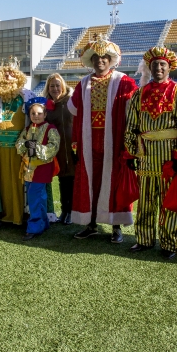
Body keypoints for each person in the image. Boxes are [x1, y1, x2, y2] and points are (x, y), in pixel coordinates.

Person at [124, 47, 177, 259]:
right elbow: (131, 126)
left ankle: (170, 243)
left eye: (162, 64)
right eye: (155, 64)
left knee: (171, 203)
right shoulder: (139, 94)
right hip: (146, 158)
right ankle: (144, 240)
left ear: (170, 67)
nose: (158, 67)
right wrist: (131, 154)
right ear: (150, 66)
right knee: (146, 201)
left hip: (170, 159)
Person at [69, 35, 138, 243]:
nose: (100, 61)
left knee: (114, 182)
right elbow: (74, 113)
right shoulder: (83, 83)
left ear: (111, 60)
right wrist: (75, 143)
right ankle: (91, 225)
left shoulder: (124, 81)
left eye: (104, 57)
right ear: (91, 61)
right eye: (97, 58)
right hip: (89, 142)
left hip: (115, 140)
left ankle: (116, 227)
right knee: (91, 181)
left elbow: (133, 110)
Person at [0, 57, 35, 226]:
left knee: (21, 183)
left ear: (19, 76)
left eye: (13, 73)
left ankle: (21, 215)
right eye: (6, 73)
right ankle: (2, 214)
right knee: (1, 183)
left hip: (21, 149)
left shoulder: (28, 95)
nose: (9, 76)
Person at [15, 97, 60, 240]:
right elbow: (19, 143)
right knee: (39, 196)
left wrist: (37, 147)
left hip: (42, 168)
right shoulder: (28, 129)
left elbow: (53, 147)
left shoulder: (51, 129)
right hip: (28, 168)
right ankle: (43, 222)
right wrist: (26, 145)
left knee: (34, 196)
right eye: (33, 113)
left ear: (45, 114)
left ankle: (34, 227)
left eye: (39, 113)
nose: (36, 116)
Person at [43, 73, 75, 224]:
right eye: (52, 86)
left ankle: (73, 212)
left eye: (57, 85)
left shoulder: (71, 101)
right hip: (58, 148)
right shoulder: (48, 106)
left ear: (63, 86)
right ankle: (64, 211)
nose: (55, 88)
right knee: (62, 180)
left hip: (73, 146)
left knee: (74, 180)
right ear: (48, 88)